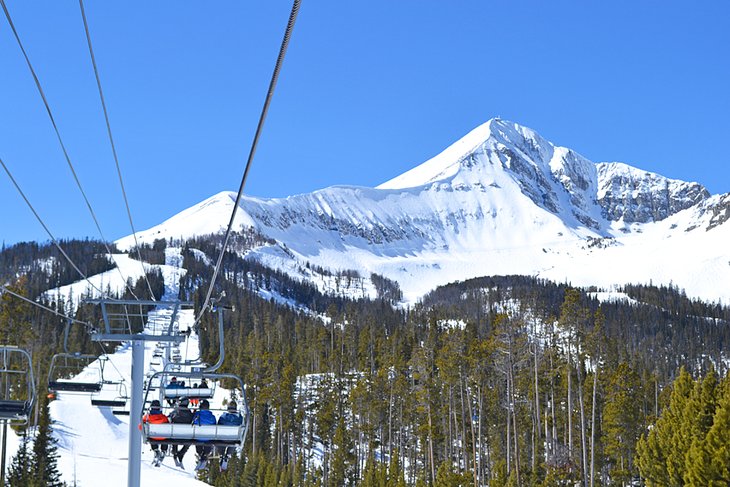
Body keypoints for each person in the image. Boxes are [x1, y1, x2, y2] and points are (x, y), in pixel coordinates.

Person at [216, 400, 243, 471]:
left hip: (222, 438)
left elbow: (219, 424)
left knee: (220, 441)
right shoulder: (239, 417)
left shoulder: (223, 416)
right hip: (233, 438)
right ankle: (227, 455)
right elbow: (241, 425)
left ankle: (221, 455)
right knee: (234, 442)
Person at [141, 400, 169, 467]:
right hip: (163, 438)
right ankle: (164, 450)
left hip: (152, 436)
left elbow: (141, 426)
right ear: (159, 408)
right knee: (165, 436)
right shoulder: (164, 418)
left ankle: (156, 450)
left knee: (152, 435)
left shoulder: (147, 417)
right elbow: (168, 427)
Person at [168, 397, 193, 469]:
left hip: (175, 436)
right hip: (186, 438)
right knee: (189, 441)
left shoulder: (176, 411)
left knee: (174, 437)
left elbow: (169, 417)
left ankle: (175, 452)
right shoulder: (189, 413)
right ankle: (181, 453)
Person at [192, 399, 216, 471]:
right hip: (208, 438)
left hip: (198, 437)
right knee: (208, 442)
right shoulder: (212, 417)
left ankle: (200, 454)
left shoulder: (197, 415)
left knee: (199, 440)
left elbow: (193, 422)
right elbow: (215, 425)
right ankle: (204, 455)